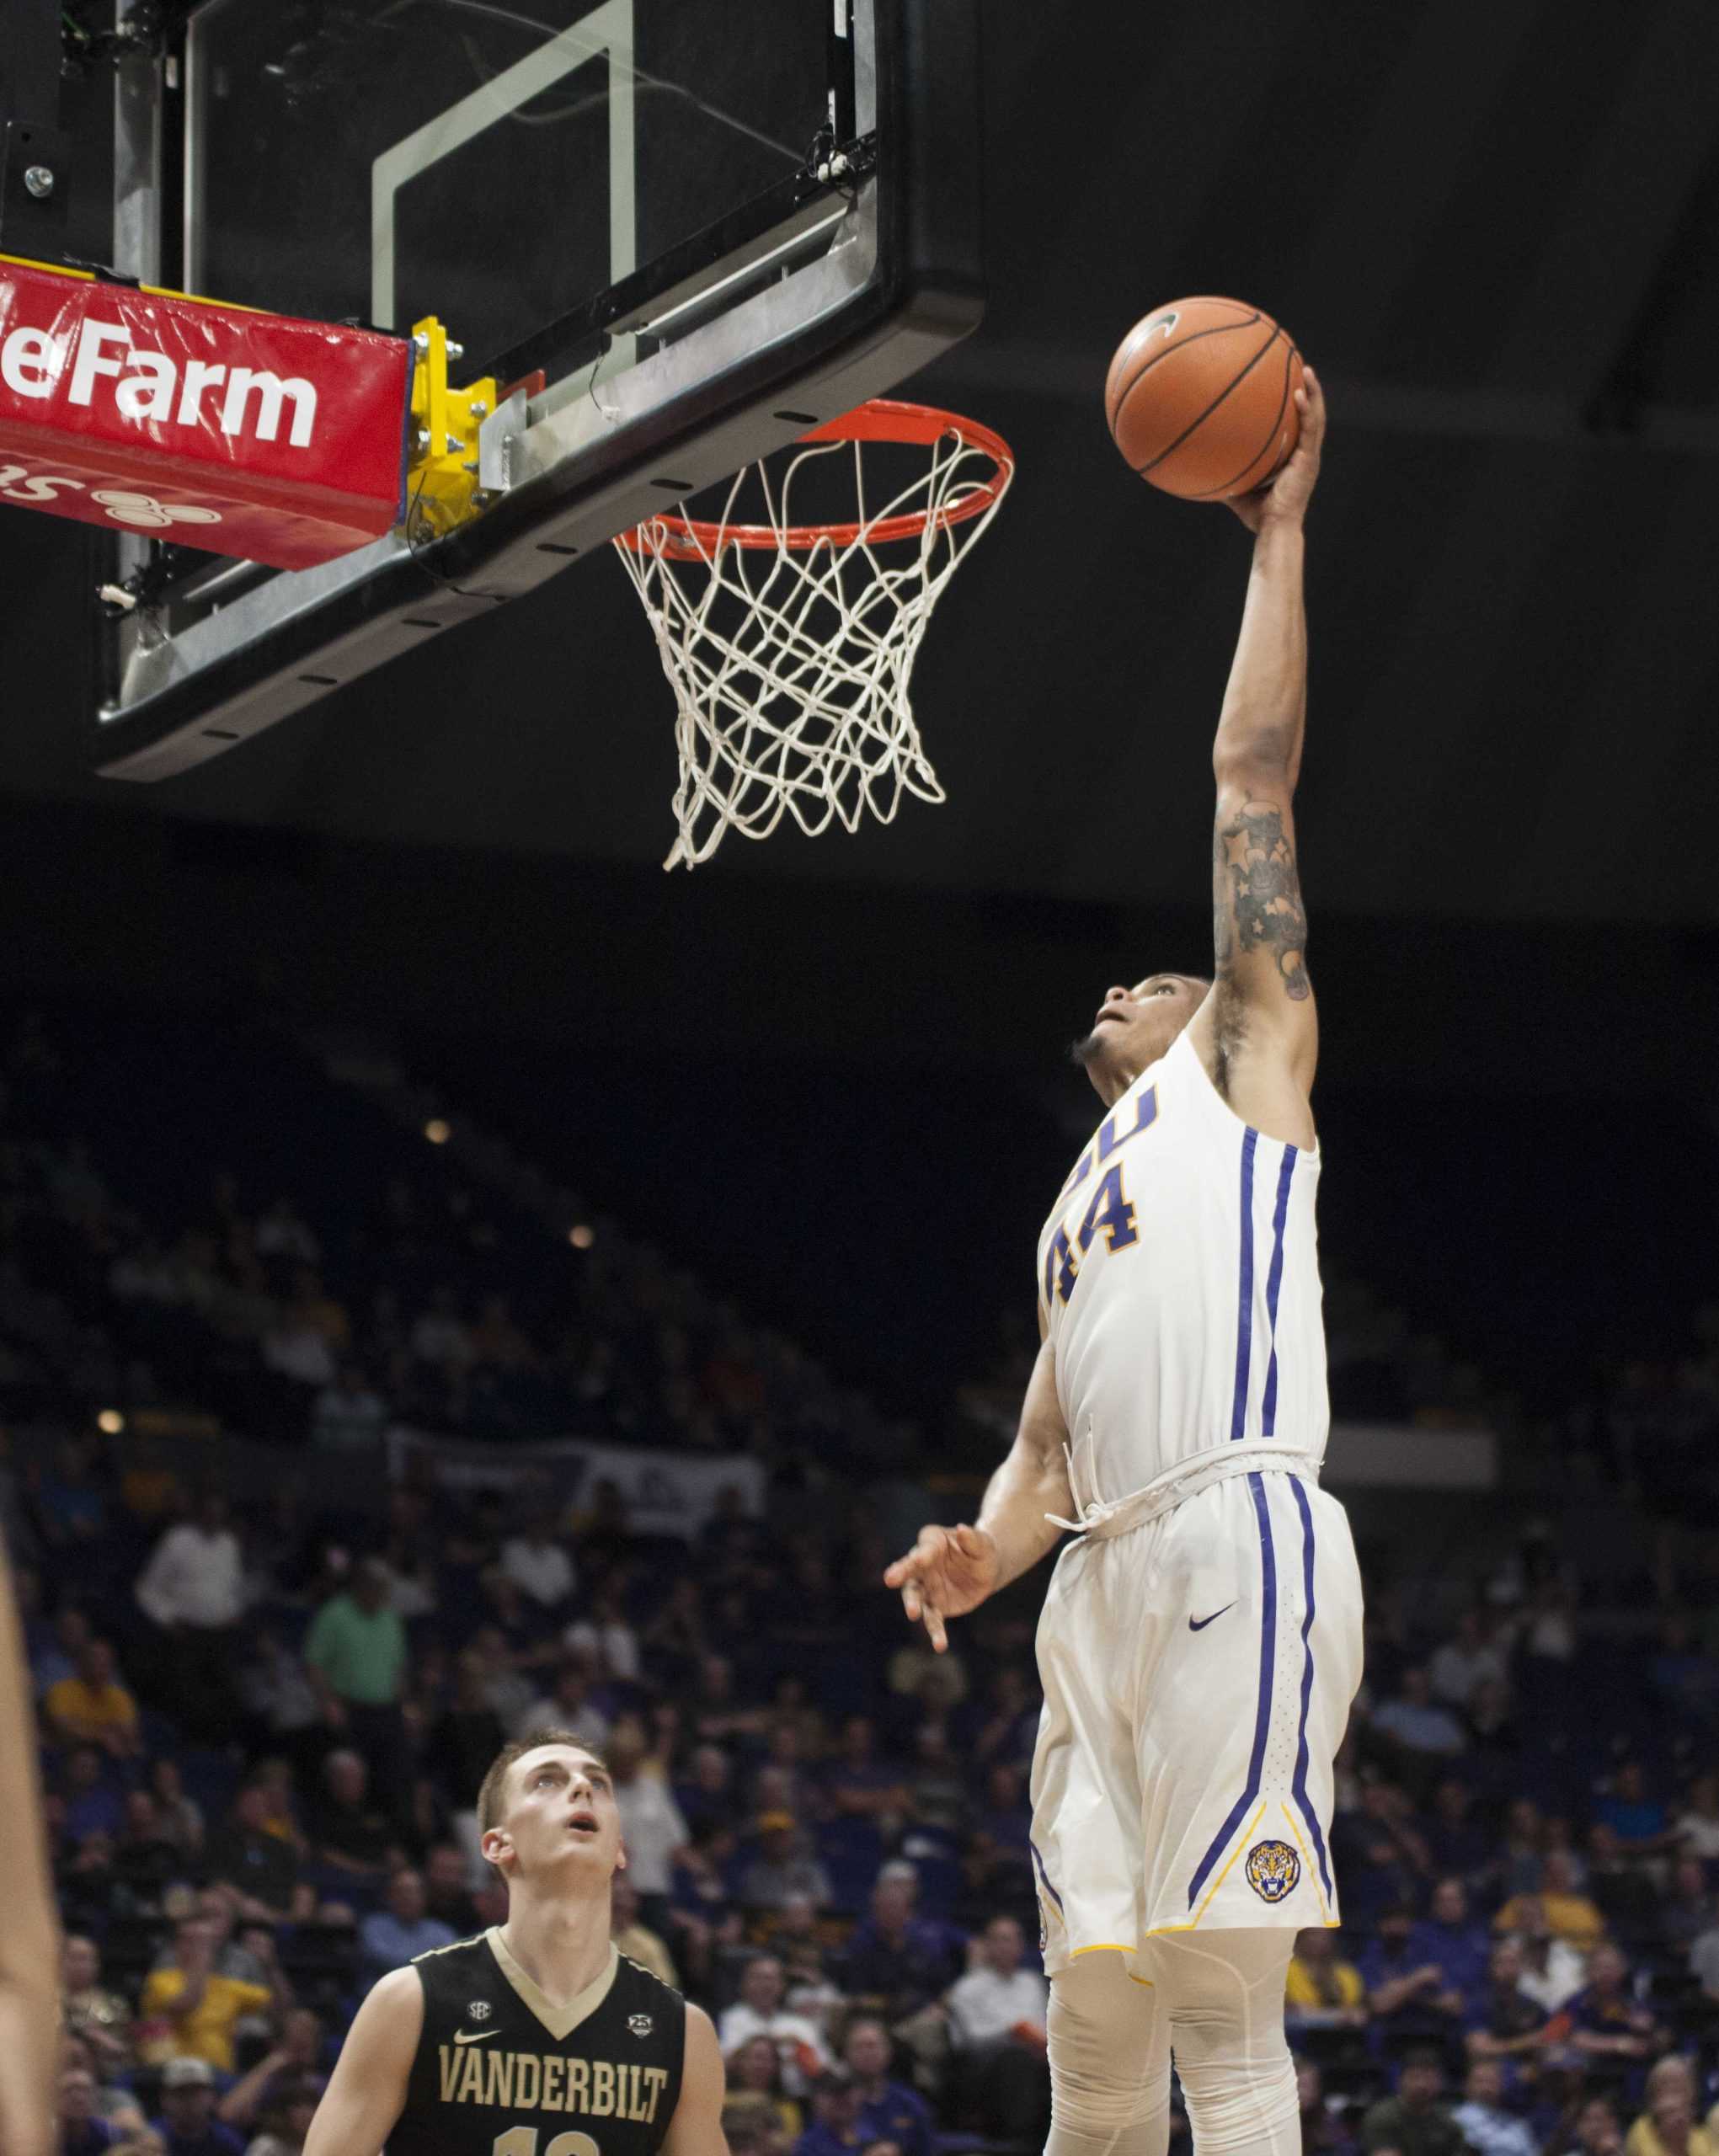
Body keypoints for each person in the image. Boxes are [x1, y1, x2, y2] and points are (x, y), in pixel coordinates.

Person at [886, 373, 1362, 2156]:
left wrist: (1282, 534)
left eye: (1148, 976)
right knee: (1095, 2020)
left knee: (1224, 2006)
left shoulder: (1247, 1062)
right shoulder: (1070, 1200)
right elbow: (1041, 1452)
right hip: (1095, 1572)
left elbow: (1251, 771)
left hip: (1237, 1527)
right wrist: (984, 1542)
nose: (1123, 983)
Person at [301, 1731, 725, 2156]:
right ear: (497, 1845)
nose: (581, 1788)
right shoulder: (411, 2002)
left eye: (598, 1784)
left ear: (619, 1849)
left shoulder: (682, 2034)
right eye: (546, 1782)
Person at [138, 1915, 273, 2074]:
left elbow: (275, 2007)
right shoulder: (160, 1981)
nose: (199, 1946)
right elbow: (187, 2004)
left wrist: (269, 1964)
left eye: (204, 1942)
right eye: (192, 1940)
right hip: (173, 2072)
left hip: (218, 2075)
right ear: (178, 1944)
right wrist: (203, 1957)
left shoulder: (227, 1986)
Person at [841, 2020, 932, 2156]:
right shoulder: (834, 2104)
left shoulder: (909, 2102)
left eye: (872, 2046)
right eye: (859, 2047)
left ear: (888, 2052)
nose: (866, 2053)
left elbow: (926, 2149)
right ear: (847, 2054)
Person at [357, 1869, 456, 1987]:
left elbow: (451, 1965)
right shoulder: (373, 1927)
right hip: (382, 1996)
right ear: (390, 1895)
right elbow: (384, 1962)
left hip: (429, 1997)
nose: (407, 1897)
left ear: (425, 1896)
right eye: (401, 1891)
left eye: (414, 1891)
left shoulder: (442, 1932)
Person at [1359, 2049, 1465, 2156]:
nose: (1421, 2085)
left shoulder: (1448, 2120)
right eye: (1415, 2077)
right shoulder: (1382, 2116)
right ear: (1400, 2080)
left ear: (1440, 2082)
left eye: (1429, 2078)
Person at [1450, 2059, 1537, 2156]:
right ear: (1467, 2086)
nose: (1486, 2088)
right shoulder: (1455, 2121)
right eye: (1480, 2081)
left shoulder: (1518, 2125)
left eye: (1492, 2082)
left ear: (1501, 2086)